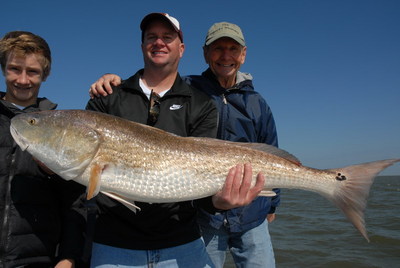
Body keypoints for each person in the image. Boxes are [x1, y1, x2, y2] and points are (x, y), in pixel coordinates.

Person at [90, 22, 280, 268]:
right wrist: (112, 80)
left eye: (233, 49)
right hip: (205, 214)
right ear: (204, 53)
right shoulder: (191, 89)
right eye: (218, 48)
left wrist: (273, 204)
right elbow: (152, 88)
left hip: (250, 212)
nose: (226, 56)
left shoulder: (256, 103)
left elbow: (271, 148)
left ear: (243, 54)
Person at [0, 31, 86, 268]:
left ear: (45, 74)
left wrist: (68, 258)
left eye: (33, 72)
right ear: (3, 68)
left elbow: (74, 202)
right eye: (15, 69)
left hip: (36, 259)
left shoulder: (66, 130)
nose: (23, 79)